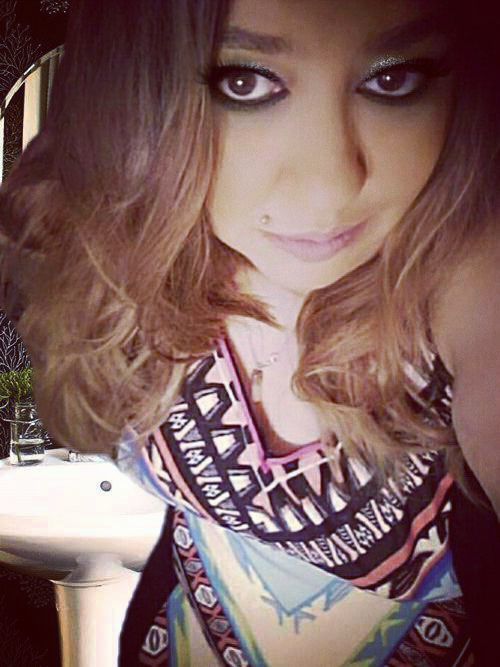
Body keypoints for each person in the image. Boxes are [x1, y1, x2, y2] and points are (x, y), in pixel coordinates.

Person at [0, 0, 499, 664]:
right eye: (245, 81)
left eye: (392, 77)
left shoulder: (467, 277)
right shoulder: (116, 233)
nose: (329, 186)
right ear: (140, 95)